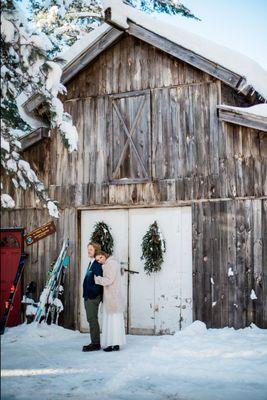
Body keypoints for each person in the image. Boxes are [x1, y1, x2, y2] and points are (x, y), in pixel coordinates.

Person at [94, 251, 126, 352]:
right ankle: (116, 343)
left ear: (104, 255)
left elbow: (109, 280)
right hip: (113, 296)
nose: (100, 261)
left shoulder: (110, 264)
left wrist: (97, 279)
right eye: (98, 260)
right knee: (115, 321)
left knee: (111, 320)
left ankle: (111, 344)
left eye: (100, 258)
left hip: (112, 296)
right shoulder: (112, 263)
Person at [82, 242, 103, 352]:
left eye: (91, 249)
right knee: (91, 319)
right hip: (88, 296)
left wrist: (92, 294)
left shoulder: (97, 264)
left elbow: (99, 281)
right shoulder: (91, 263)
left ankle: (95, 343)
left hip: (92, 297)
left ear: (96, 251)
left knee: (92, 319)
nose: (88, 251)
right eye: (88, 249)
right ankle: (94, 341)